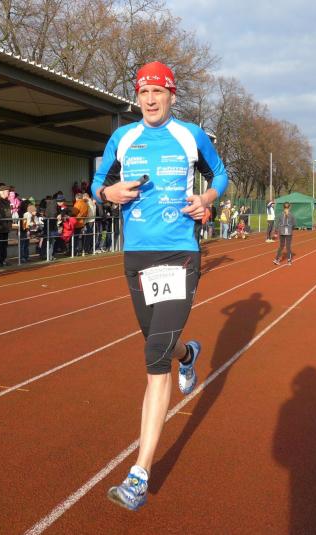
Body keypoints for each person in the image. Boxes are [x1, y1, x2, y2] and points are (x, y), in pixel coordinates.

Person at [92, 61, 228, 511]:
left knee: (153, 357)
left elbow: (221, 175)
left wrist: (205, 198)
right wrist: (107, 194)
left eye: (158, 91)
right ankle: (187, 355)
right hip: (136, 257)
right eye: (143, 92)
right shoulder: (122, 137)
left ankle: (139, 474)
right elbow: (97, 183)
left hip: (179, 254)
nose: (150, 99)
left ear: (172, 95)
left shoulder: (191, 135)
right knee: (160, 342)